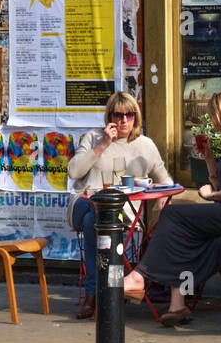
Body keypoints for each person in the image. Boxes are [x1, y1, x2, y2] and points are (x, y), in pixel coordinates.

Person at [121, 91, 221, 326]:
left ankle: (139, 277)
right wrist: (209, 158)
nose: (210, 122)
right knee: (185, 240)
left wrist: (211, 195)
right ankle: (177, 304)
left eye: (212, 115)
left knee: (171, 215)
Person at [67, 92, 172, 320]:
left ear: (136, 117)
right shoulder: (94, 138)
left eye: (129, 115)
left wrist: (163, 196)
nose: (124, 121)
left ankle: (96, 293)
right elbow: (73, 171)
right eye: (118, 115)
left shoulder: (145, 145)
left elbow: (165, 179)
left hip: (123, 213)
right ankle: (101, 291)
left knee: (95, 221)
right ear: (110, 117)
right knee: (93, 217)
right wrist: (103, 145)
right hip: (84, 202)